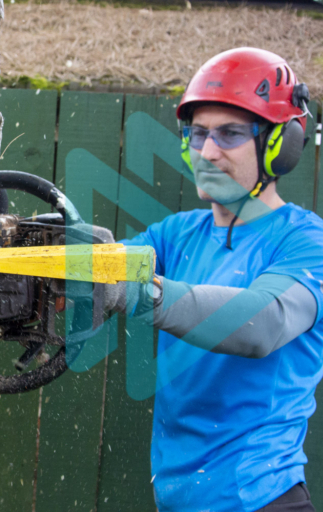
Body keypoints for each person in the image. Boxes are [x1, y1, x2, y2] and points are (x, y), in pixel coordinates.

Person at [106, 48, 323, 511]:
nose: (207, 151)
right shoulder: (176, 234)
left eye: (230, 134)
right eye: (198, 133)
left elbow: (264, 323)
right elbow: (107, 267)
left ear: (279, 146)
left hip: (262, 500)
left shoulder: (306, 242)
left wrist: (142, 293)